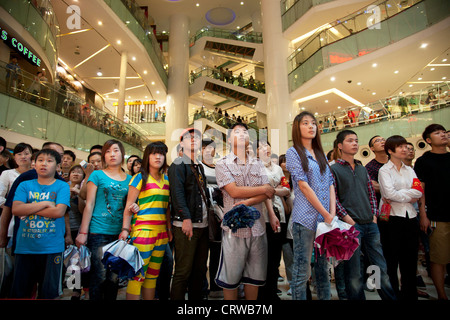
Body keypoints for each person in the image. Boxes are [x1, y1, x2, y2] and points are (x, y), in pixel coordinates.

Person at [215, 123, 279, 300]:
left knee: (254, 278)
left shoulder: (258, 163)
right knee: (231, 278)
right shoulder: (222, 164)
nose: (242, 134)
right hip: (234, 230)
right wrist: (263, 190)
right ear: (229, 139)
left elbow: (268, 192)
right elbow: (234, 191)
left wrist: (250, 200)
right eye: (237, 132)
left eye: (245, 132)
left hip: (258, 229)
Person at [331, 130, 396, 300]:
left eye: (356, 140)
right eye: (350, 140)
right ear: (340, 146)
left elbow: (371, 194)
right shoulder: (333, 169)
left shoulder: (361, 168)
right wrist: (347, 218)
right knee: (354, 273)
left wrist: (374, 216)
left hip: (370, 224)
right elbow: (333, 198)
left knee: (380, 268)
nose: (354, 143)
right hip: (350, 226)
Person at [285, 111, 335, 300]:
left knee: (323, 268)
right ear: (297, 128)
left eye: (313, 123)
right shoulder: (293, 152)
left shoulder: (320, 152)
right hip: (305, 218)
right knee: (301, 269)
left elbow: (330, 183)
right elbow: (303, 186)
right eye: (305, 123)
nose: (311, 126)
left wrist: (332, 213)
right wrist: (325, 213)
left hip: (325, 219)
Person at [75, 140, 132, 300]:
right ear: (104, 156)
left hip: (119, 234)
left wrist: (126, 230)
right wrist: (83, 232)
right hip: (98, 231)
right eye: (108, 151)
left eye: (116, 150)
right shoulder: (97, 175)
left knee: (113, 277)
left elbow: (130, 206)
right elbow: (89, 204)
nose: (112, 154)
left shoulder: (130, 179)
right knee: (99, 275)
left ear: (122, 154)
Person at [10, 148, 70, 299]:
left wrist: (28, 208)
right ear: (34, 164)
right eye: (40, 160)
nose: (44, 164)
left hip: (51, 248)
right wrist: (46, 203)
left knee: (48, 294)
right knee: (20, 293)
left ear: (57, 166)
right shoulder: (25, 185)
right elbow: (16, 209)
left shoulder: (62, 186)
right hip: (25, 247)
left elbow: (58, 212)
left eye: (50, 161)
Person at [119, 142, 172, 300]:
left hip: (162, 235)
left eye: (161, 154)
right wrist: (125, 230)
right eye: (154, 153)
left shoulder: (166, 179)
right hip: (143, 233)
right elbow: (129, 206)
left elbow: (167, 208)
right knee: (138, 276)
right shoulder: (139, 178)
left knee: (152, 277)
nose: (158, 157)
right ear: (147, 156)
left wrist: (169, 230)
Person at [0, 142, 67, 253]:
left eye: (60, 155)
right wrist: (2, 236)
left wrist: (27, 209)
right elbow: (11, 207)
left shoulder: (61, 183)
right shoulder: (25, 179)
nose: (58, 157)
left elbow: (61, 212)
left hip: (51, 242)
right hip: (24, 240)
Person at [378, 135, 423, 300]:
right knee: (391, 260)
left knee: (410, 260)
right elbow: (388, 194)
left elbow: (418, 191)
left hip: (410, 217)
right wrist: (408, 195)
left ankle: (410, 295)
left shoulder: (410, 169)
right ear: (390, 151)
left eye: (406, 146)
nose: (405, 149)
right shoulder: (384, 170)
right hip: (391, 219)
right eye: (400, 147)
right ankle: (393, 294)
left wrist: (402, 195)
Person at [168, 128, 209, 300]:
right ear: (182, 143)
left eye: (197, 137)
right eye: (189, 137)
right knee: (183, 271)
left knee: (199, 271)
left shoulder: (198, 166)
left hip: (203, 224)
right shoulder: (178, 164)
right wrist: (186, 218)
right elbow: (177, 194)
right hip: (186, 224)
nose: (193, 139)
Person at [414, 124, 449, 300]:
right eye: (437, 133)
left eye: (444, 132)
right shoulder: (423, 161)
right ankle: (442, 295)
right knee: (439, 257)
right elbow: (421, 191)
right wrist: (424, 215)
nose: (443, 135)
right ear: (428, 140)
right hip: (437, 216)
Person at [256, 141, 290, 300]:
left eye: (267, 147)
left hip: (280, 213)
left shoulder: (277, 169)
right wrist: (273, 192)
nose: (266, 149)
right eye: (262, 147)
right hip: (264, 215)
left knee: (276, 255)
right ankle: (263, 293)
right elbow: (261, 190)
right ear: (256, 152)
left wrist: (272, 190)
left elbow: (286, 189)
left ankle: (272, 289)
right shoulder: (255, 167)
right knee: (264, 256)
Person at [198, 138, 223, 299]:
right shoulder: (197, 167)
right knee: (201, 252)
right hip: (202, 212)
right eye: (205, 147)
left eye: (211, 148)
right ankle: (201, 287)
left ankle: (215, 284)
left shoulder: (219, 167)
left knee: (217, 250)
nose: (208, 150)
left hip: (218, 212)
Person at [0, 143, 33, 253]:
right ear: (14, 157)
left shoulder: (37, 175)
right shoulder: (7, 174)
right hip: (12, 217)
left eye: (26, 154)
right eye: (19, 154)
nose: (23, 156)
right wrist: (14, 207)